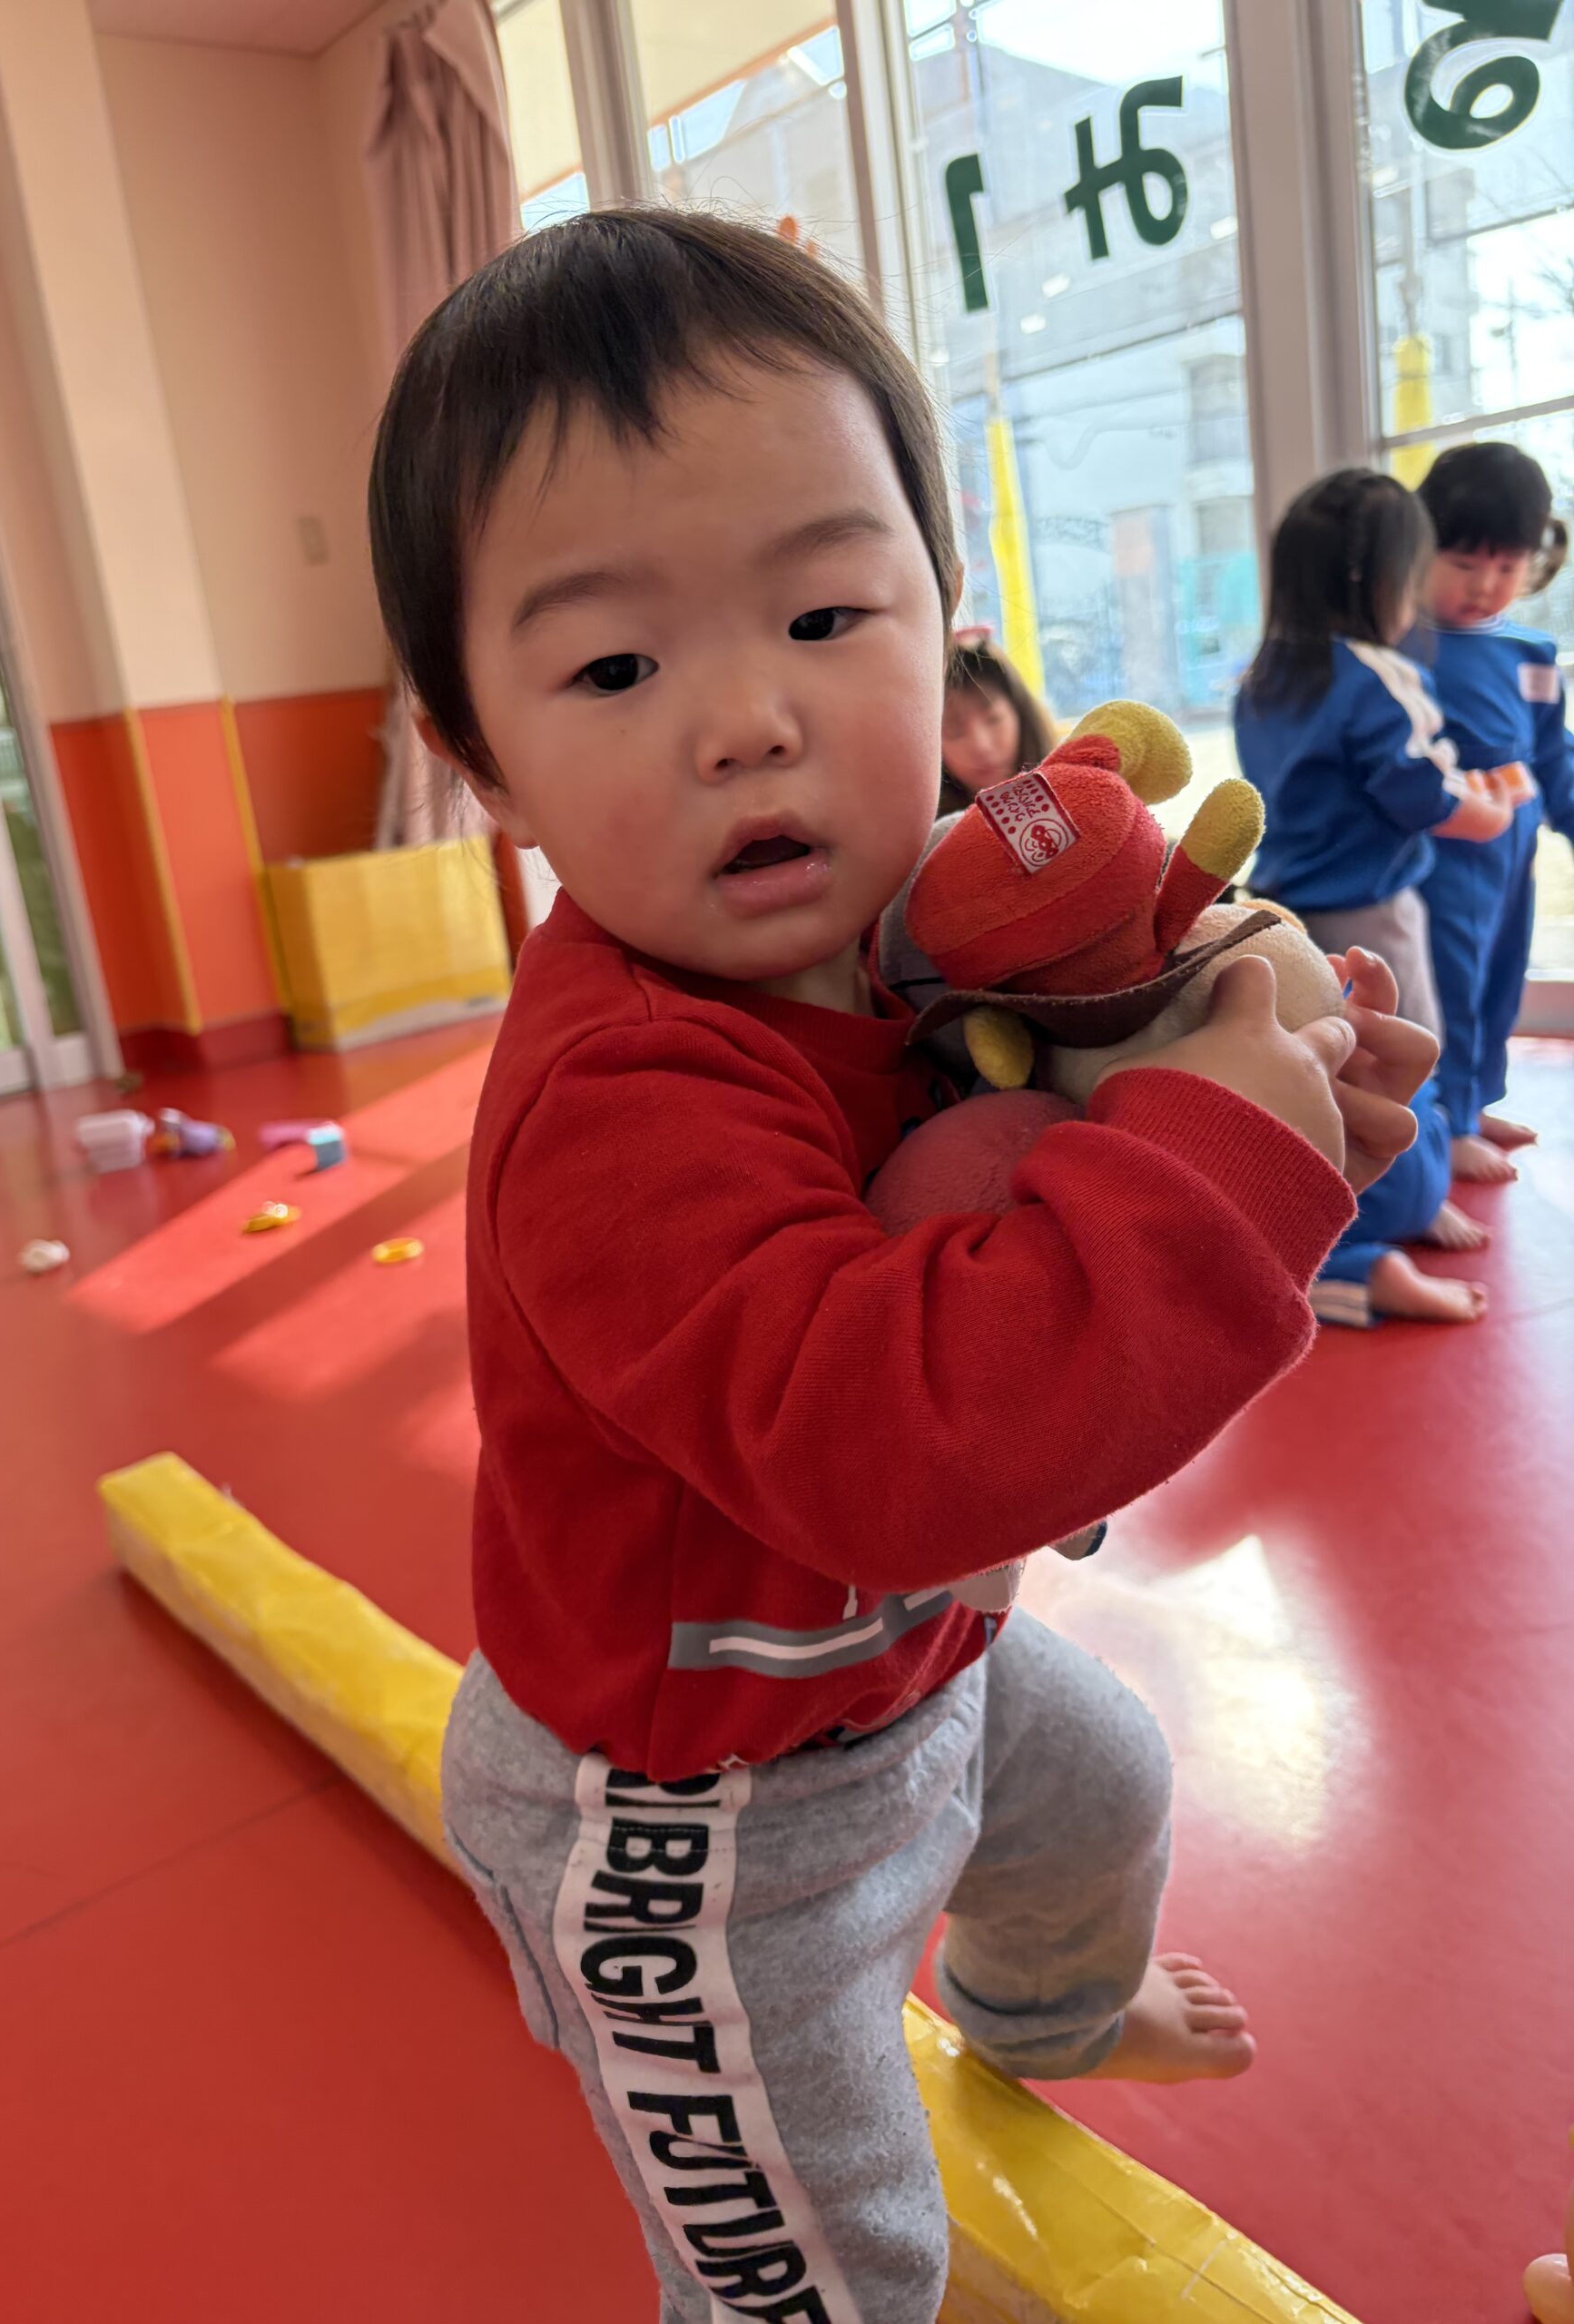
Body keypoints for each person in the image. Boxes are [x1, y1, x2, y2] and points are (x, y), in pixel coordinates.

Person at [369, 211, 1430, 2323]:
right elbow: (902, 1451)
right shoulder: (619, 1100)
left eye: (824, 612)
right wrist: (1215, 1165)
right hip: (695, 1818)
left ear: (946, 630)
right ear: (481, 758)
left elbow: (1064, 1099)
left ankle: (1045, 2005)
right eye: (613, 667)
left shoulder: (892, 934)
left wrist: (1277, 1090)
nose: (746, 720)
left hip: (894, 1662)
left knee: (1104, 1778)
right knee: (828, 2268)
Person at [1236, 468, 1509, 1324]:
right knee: (1404, 1065)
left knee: (1325, 1082)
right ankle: (1390, 1227)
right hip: (1369, 913)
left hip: (1284, 915)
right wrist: (1492, 810)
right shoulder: (1375, 672)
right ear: (1380, 579)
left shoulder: (1264, 678)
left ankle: (1358, 1222)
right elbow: (1421, 792)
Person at [1414, 441, 1574, 1183]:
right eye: (1464, 564)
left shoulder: (1531, 653)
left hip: (1514, 856)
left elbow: (1552, 753)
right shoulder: (1404, 646)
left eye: (1507, 567)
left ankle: (1476, 1102)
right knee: (1447, 986)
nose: (1485, 586)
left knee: (1501, 980)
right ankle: (1443, 1123)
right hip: (1442, 856)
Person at [939, 625, 1055, 811]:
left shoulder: (1070, 787)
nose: (981, 746)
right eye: (955, 731)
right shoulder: (930, 828)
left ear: (1019, 710)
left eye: (994, 719)